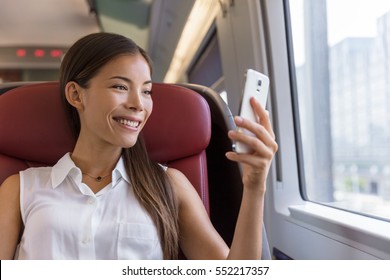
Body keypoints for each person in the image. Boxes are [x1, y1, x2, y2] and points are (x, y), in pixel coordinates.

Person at [0, 32, 278, 260]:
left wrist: (254, 186)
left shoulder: (168, 185)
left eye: (146, 91)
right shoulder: (21, 188)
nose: (138, 104)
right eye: (120, 87)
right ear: (76, 95)